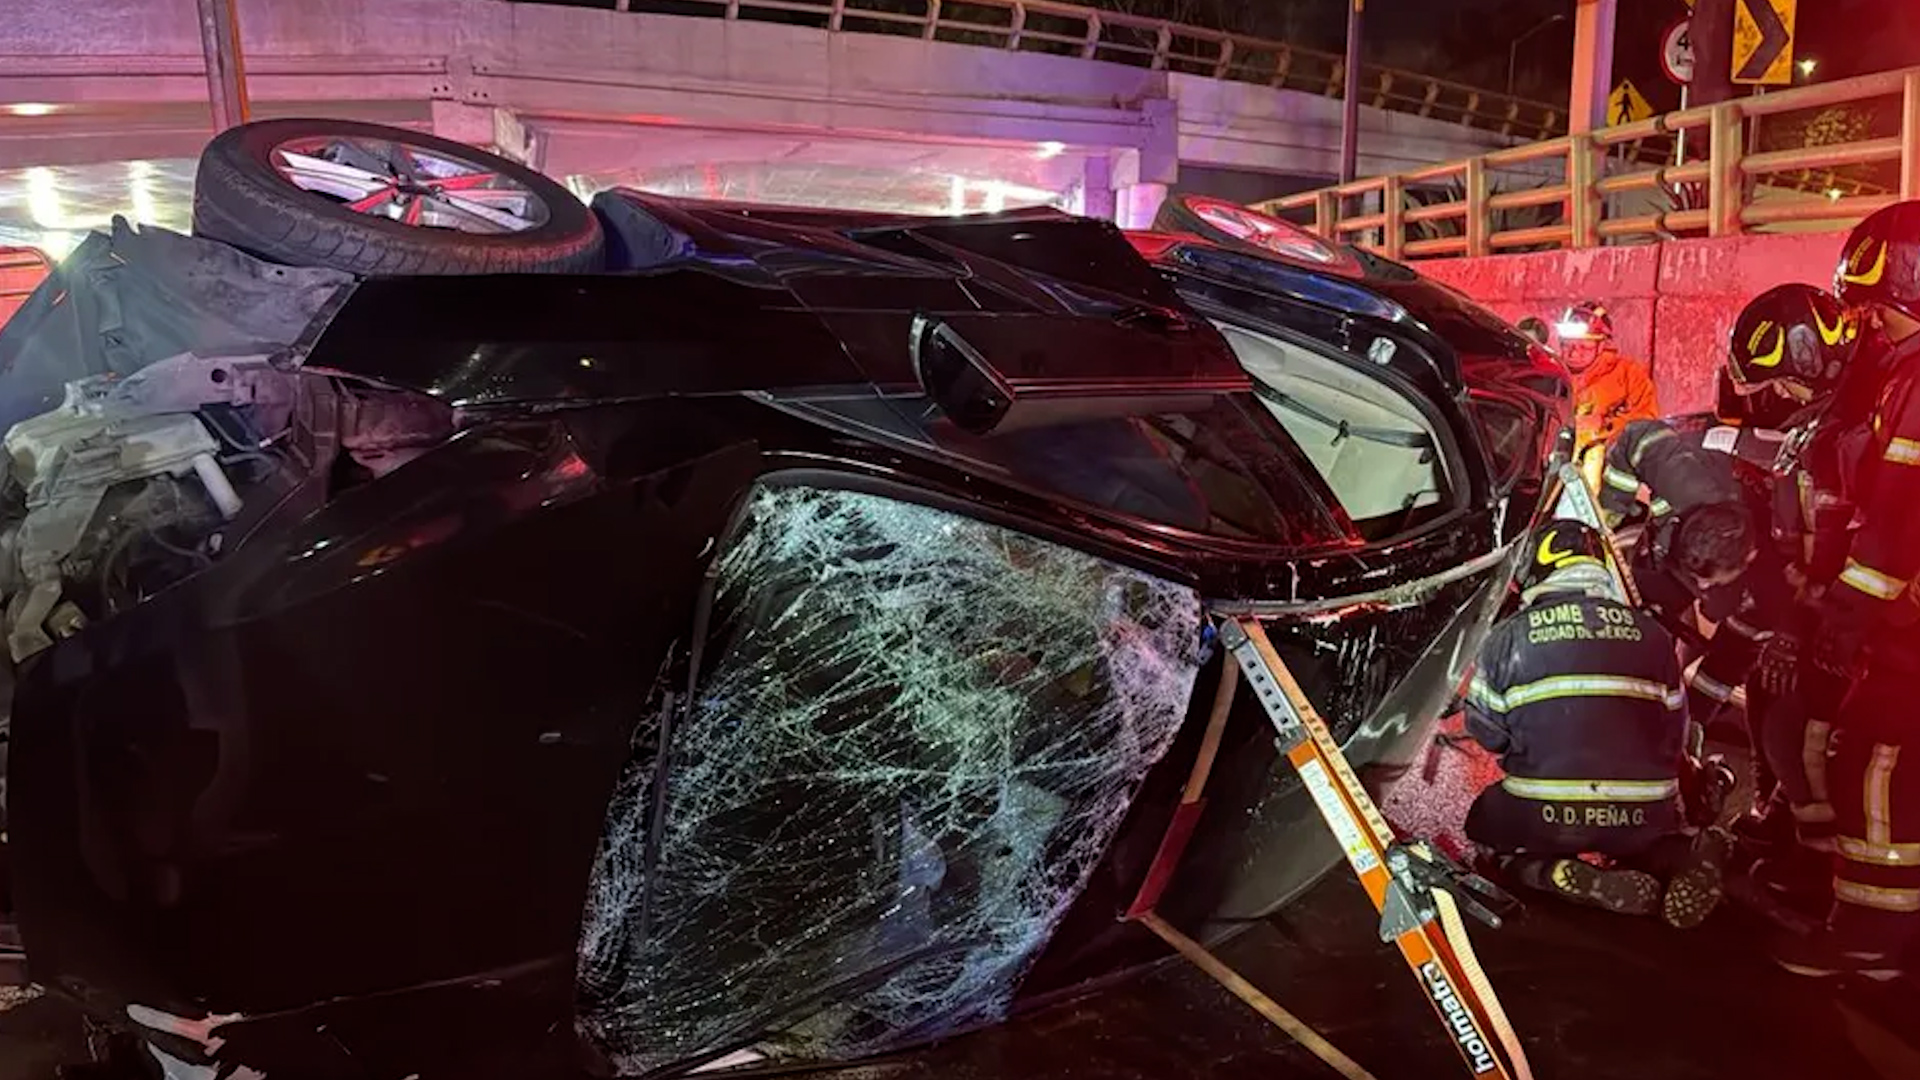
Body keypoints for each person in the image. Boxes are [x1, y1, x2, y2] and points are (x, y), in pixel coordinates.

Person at [1770, 201, 1920, 980]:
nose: (1871, 326)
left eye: (1881, 309)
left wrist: (1851, 606)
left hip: (1909, 633)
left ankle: (1871, 936)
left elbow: (1899, 513)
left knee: (1875, 756)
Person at [1465, 520, 1731, 928]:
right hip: (1641, 813)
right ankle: (1681, 856)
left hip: (1544, 814)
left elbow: (1489, 735)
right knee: (1646, 836)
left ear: (1534, 569)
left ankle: (1551, 874)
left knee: (1486, 830)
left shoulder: (1507, 637)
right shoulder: (1654, 635)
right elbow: (1675, 735)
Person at [1558, 300, 1660, 457]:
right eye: (1567, 345)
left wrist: (1603, 424)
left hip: (1609, 463)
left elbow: (1646, 422)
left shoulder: (1628, 375)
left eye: (1584, 347)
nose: (1573, 354)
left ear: (1601, 346)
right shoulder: (1551, 375)